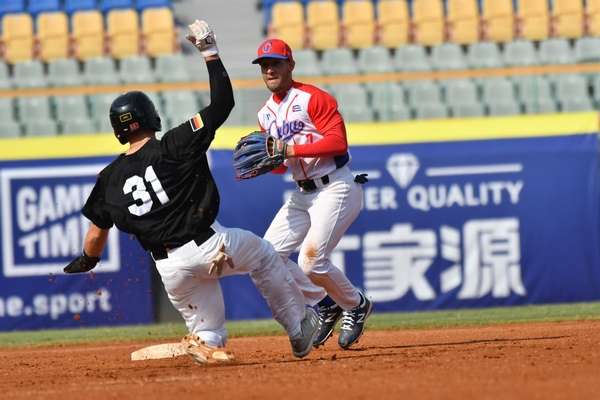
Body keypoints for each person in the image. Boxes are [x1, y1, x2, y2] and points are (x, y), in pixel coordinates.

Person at [62, 21, 319, 364]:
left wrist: (88, 260)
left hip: (170, 269)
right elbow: (223, 103)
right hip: (210, 245)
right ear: (150, 117)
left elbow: (96, 234)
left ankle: (205, 341)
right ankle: (299, 327)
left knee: (209, 328)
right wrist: (210, 52)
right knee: (264, 255)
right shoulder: (174, 144)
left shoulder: (108, 179)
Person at [251, 38, 372, 349]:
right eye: (264, 65)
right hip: (302, 193)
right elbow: (281, 166)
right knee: (266, 257)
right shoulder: (265, 115)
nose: (269, 70)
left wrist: (289, 148)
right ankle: (325, 303)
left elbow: (337, 143)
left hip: (336, 186)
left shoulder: (313, 98)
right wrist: (270, 162)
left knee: (311, 261)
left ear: (290, 65)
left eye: (275, 63)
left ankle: (355, 304)